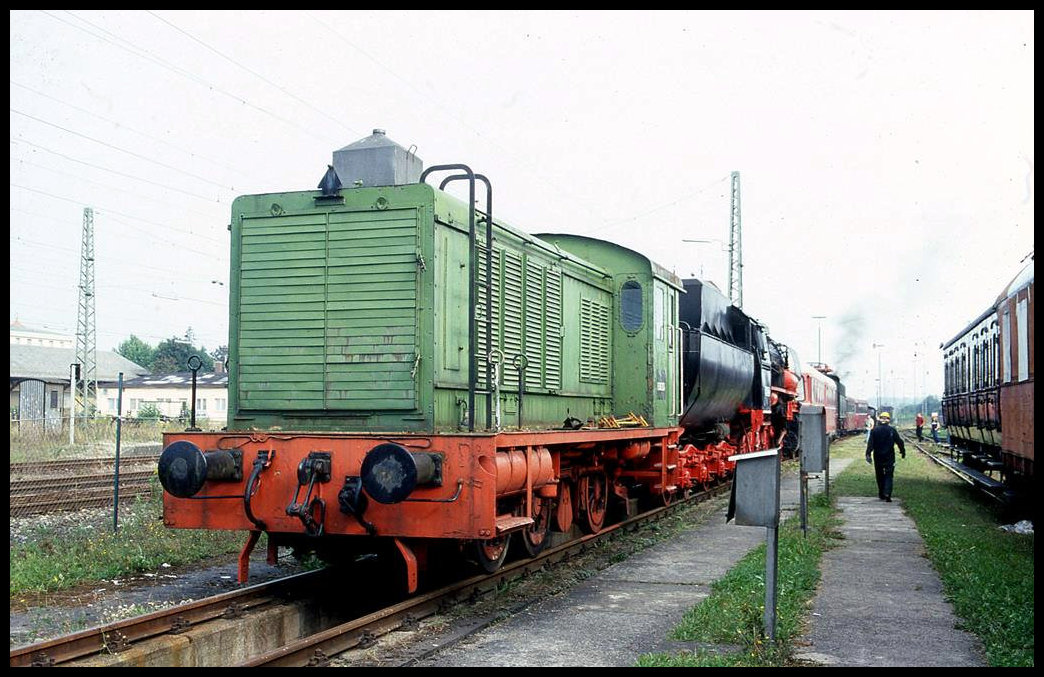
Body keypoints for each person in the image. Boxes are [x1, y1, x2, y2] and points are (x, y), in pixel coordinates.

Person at [866, 410, 905, 502]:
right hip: (889, 456)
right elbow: (899, 442)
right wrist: (902, 451)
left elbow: (870, 444)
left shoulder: (874, 430)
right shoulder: (892, 430)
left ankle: (881, 493)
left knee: (879, 475)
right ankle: (887, 493)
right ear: (889, 420)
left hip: (878, 456)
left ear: (879, 420)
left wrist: (868, 454)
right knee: (889, 475)